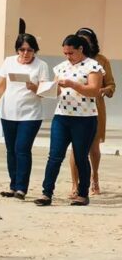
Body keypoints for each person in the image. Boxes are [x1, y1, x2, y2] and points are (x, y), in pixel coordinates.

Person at [34, 35, 104, 207]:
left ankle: (83, 193)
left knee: (80, 156)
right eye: (65, 53)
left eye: (71, 53)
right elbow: (56, 91)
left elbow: (94, 91)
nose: (68, 56)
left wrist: (73, 84)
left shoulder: (93, 66)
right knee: (54, 156)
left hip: (84, 118)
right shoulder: (61, 67)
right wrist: (46, 89)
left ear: (80, 49)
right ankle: (46, 193)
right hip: (62, 116)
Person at [0, 33, 50, 199]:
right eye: (22, 50)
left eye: (29, 50)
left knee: (22, 149)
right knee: (11, 150)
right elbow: (0, 86)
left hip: (30, 115)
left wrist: (34, 87)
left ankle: (21, 188)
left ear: (35, 50)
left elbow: (45, 92)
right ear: (17, 50)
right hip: (9, 113)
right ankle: (13, 185)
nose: (25, 53)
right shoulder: (8, 62)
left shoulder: (41, 65)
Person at [69, 27, 116, 196]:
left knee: (94, 148)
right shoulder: (71, 60)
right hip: (74, 108)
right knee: (75, 148)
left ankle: (94, 177)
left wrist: (104, 90)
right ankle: (75, 184)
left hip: (95, 109)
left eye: (86, 41)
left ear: (92, 42)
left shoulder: (101, 60)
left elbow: (111, 84)